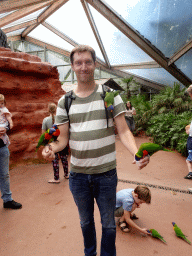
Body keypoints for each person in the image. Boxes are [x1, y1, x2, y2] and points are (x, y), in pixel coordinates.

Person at [42, 45, 150, 256]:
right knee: (85, 222)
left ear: (95, 64)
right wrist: (50, 148)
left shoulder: (110, 96)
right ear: (72, 66)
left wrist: (136, 153)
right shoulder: (65, 101)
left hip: (106, 175)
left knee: (109, 225)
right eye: (79, 62)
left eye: (88, 62)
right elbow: (62, 139)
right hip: (79, 176)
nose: (84, 67)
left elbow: (124, 130)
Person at [0, 94, 22, 209]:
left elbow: (8, 123)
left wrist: (6, 128)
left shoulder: (3, 111)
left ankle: (7, 200)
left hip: (2, 146)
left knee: (4, 175)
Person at [42, 103, 69, 183]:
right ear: (56, 109)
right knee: (64, 159)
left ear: (48, 110)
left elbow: (43, 134)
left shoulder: (46, 120)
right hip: (61, 142)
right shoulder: (60, 119)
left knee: (55, 160)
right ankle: (67, 174)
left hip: (52, 143)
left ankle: (56, 178)